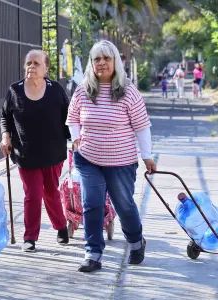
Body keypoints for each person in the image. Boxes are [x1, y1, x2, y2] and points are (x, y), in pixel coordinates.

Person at [66, 40, 156, 273]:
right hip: (88, 158)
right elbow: (72, 117)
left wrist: (147, 156)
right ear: (91, 63)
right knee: (91, 204)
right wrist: (75, 137)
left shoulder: (128, 91)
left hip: (121, 160)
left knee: (123, 204)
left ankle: (136, 242)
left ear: (115, 61)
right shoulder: (83, 90)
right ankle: (93, 253)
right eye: (97, 59)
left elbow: (142, 126)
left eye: (107, 58)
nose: (102, 63)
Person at [0, 50, 70, 252]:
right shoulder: (15, 91)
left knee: (50, 192)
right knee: (33, 194)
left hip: (52, 152)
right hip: (26, 152)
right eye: (28, 63)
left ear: (46, 68)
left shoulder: (56, 90)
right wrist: (6, 137)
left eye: (36, 63)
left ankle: (61, 227)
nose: (31, 66)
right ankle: (30, 237)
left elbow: (68, 117)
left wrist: (75, 138)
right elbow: (5, 116)